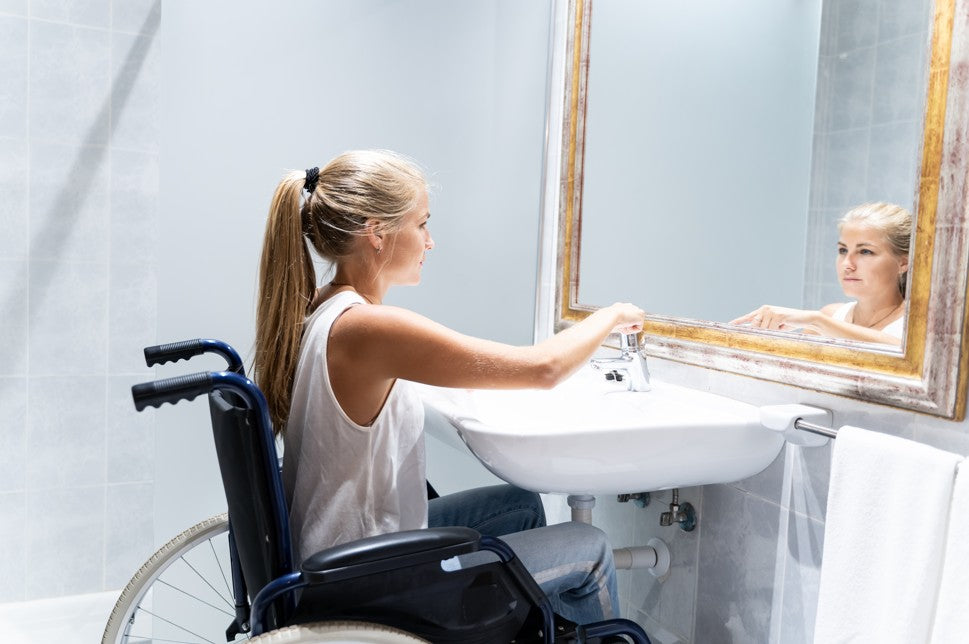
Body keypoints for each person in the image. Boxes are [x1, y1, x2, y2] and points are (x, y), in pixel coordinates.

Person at [252, 149, 645, 624]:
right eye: (421, 224)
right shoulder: (369, 329)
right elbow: (543, 369)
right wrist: (612, 315)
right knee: (591, 546)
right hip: (366, 584)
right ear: (377, 232)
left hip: (338, 556)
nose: (430, 241)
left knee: (519, 505)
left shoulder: (323, 306)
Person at [730, 202, 911, 347]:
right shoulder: (831, 315)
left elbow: (901, 352)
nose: (847, 264)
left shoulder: (915, 328)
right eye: (842, 250)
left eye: (865, 252)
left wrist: (816, 320)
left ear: (903, 262)